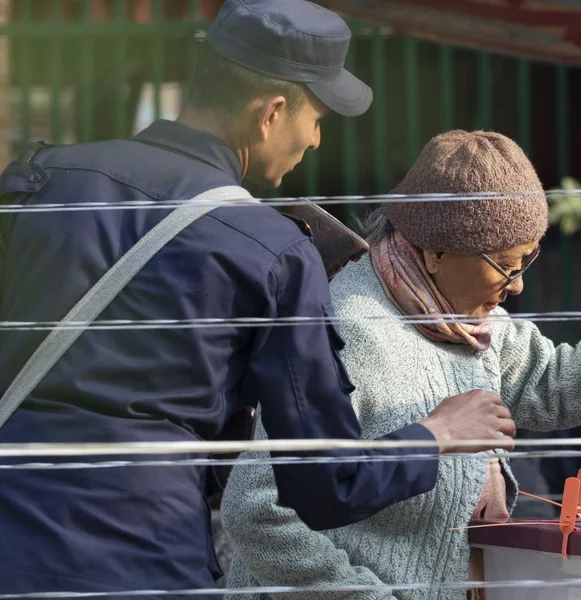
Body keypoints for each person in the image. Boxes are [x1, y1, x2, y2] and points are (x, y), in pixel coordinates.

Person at [0, 1, 513, 594]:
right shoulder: (270, 251)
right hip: (138, 561)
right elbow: (326, 484)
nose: (317, 141)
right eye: (316, 118)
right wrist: (437, 435)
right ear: (271, 113)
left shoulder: (35, 181)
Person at [220, 130, 581, 599]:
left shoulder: (467, 322)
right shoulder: (351, 332)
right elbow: (260, 510)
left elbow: (549, 377)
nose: (516, 286)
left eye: (526, 261)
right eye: (503, 265)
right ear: (435, 252)